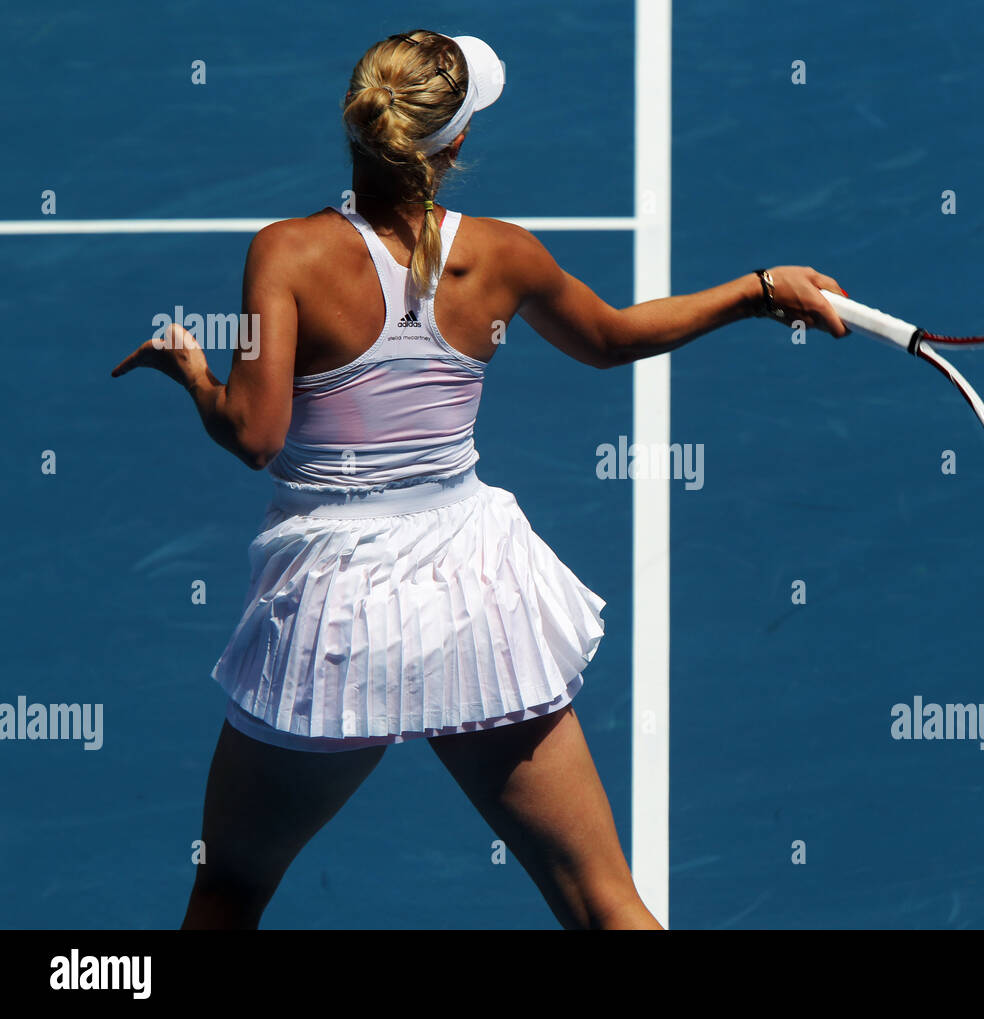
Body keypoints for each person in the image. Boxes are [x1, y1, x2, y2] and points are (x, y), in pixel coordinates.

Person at [112, 29, 847, 930]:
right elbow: (612, 339)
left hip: (338, 614)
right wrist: (758, 288)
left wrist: (190, 369)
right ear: (452, 146)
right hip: (476, 597)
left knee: (227, 890)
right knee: (604, 902)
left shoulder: (286, 255)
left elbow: (254, 435)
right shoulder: (502, 254)